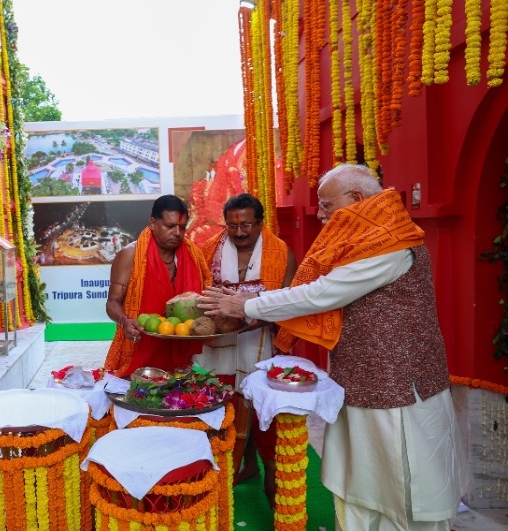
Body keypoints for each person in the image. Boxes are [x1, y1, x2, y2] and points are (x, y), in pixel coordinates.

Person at [200, 164, 468, 531]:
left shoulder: (389, 244)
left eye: (326, 204)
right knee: (363, 478)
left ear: (356, 198)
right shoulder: (367, 240)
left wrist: (246, 304)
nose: (320, 214)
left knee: (400, 484)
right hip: (365, 377)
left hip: (398, 385)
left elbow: (322, 293)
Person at [196, 193, 296, 498]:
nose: (239, 232)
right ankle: (242, 464)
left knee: (259, 410)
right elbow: (197, 290)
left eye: (247, 225)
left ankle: (268, 469)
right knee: (224, 404)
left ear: (260, 223)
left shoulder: (281, 252)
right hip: (219, 345)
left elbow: (291, 300)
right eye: (232, 225)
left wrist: (254, 314)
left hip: (261, 342)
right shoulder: (209, 249)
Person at [104, 194, 212, 377]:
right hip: (140, 350)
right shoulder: (130, 255)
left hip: (183, 356)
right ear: (153, 223)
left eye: (182, 227)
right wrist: (124, 321)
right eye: (170, 226)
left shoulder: (194, 255)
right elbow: (112, 302)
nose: (177, 233)